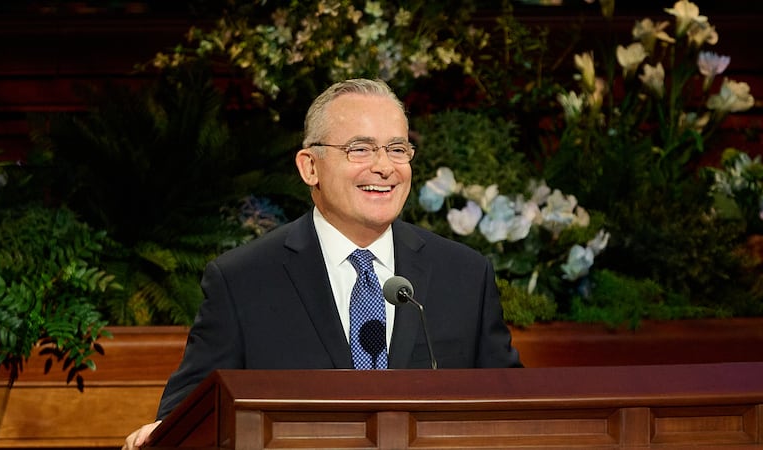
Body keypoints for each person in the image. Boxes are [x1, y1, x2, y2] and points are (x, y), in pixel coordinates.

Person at [122, 78, 522, 449]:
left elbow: (519, 411)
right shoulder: (242, 281)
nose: (384, 167)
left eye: (398, 149)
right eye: (360, 149)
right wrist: (163, 433)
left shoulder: (464, 275)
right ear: (309, 167)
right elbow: (186, 417)